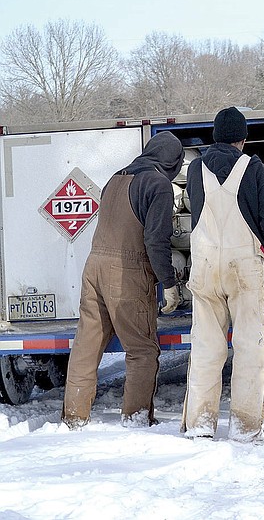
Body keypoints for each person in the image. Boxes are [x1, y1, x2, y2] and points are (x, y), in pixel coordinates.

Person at [62, 131, 185, 429]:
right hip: (125, 274)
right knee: (141, 349)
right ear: (174, 162)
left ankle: (74, 417)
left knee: (86, 347)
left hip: (94, 268)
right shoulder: (158, 184)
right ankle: (136, 417)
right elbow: (156, 240)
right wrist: (169, 284)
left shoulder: (116, 178)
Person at [182, 106, 264, 442]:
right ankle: (244, 426)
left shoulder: (196, 169)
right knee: (250, 345)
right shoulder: (255, 169)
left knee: (206, 345)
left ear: (215, 137)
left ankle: (199, 423)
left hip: (205, 266)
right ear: (243, 139)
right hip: (243, 267)